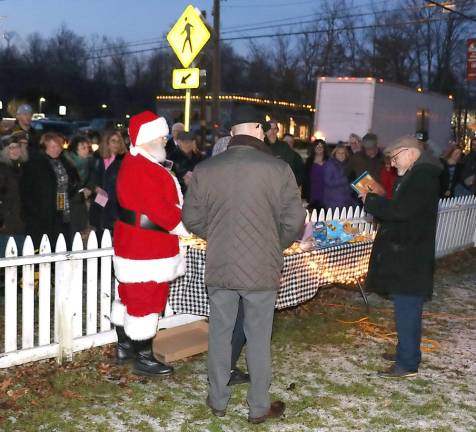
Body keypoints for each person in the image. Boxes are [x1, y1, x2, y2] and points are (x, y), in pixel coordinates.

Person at [183, 107, 305, 424]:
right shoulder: (278, 169)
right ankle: (258, 406)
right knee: (258, 338)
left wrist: (220, 235)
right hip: (261, 268)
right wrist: (271, 243)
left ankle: (218, 399)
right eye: (262, 128)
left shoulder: (207, 169)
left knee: (220, 335)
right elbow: (294, 221)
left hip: (221, 264)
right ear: (252, 128)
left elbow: (191, 218)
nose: (265, 133)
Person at [110, 111, 188, 376]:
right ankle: (143, 356)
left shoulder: (140, 162)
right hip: (147, 247)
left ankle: (124, 346)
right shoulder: (143, 168)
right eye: (161, 137)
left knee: (130, 294)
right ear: (147, 139)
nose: (165, 142)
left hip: (137, 243)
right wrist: (185, 226)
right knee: (147, 297)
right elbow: (160, 211)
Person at [360, 135, 442, 378]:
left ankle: (407, 364)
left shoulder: (423, 176)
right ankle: (406, 352)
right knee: (406, 306)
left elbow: (402, 211)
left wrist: (371, 200)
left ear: (410, 152)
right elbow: (403, 207)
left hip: (411, 254)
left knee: (407, 307)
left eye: (394, 158)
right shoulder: (417, 174)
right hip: (409, 252)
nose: (392, 164)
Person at [21, 132, 80, 249]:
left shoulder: (64, 162)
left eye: (58, 146)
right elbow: (27, 191)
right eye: (52, 146)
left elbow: (72, 182)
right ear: (45, 147)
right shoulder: (35, 164)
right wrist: (33, 211)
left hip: (62, 208)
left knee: (62, 242)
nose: (56, 149)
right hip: (42, 212)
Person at [89, 130, 127, 240]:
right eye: (113, 141)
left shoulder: (123, 161)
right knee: (99, 237)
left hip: (116, 206)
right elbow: (89, 180)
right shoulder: (97, 159)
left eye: (118, 141)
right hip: (99, 203)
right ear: (107, 142)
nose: (116, 144)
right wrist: (94, 188)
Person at [0, 132, 29, 256]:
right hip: (6, 221)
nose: (16, 150)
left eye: (17, 147)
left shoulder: (21, 167)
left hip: (20, 219)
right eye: (11, 148)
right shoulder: (2, 169)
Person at [66, 135, 95, 237]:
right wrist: (82, 195)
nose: (87, 150)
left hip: (83, 208)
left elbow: (93, 185)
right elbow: (64, 191)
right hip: (71, 209)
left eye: (88, 147)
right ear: (75, 150)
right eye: (83, 148)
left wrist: (90, 191)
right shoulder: (67, 165)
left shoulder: (89, 163)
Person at [264, 119, 304, 187]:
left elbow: (290, 168)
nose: (272, 131)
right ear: (265, 131)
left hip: (281, 187)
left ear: (277, 130)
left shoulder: (284, 147)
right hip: (264, 186)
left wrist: (291, 186)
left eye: (275, 129)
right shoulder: (260, 146)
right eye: (270, 129)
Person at [322, 144, 355, 211]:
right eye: (339, 153)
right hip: (333, 202)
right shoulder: (330, 164)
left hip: (346, 201)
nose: (341, 155)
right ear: (334, 154)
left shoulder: (347, 165)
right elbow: (328, 182)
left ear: (346, 154)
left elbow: (349, 184)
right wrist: (346, 179)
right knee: (334, 221)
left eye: (343, 153)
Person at [302, 139, 328, 214]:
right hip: (313, 193)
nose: (319, 148)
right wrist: (304, 195)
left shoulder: (329, 161)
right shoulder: (309, 161)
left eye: (321, 146)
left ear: (324, 148)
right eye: (317, 146)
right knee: (313, 218)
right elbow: (305, 179)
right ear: (313, 148)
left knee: (326, 217)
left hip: (326, 193)